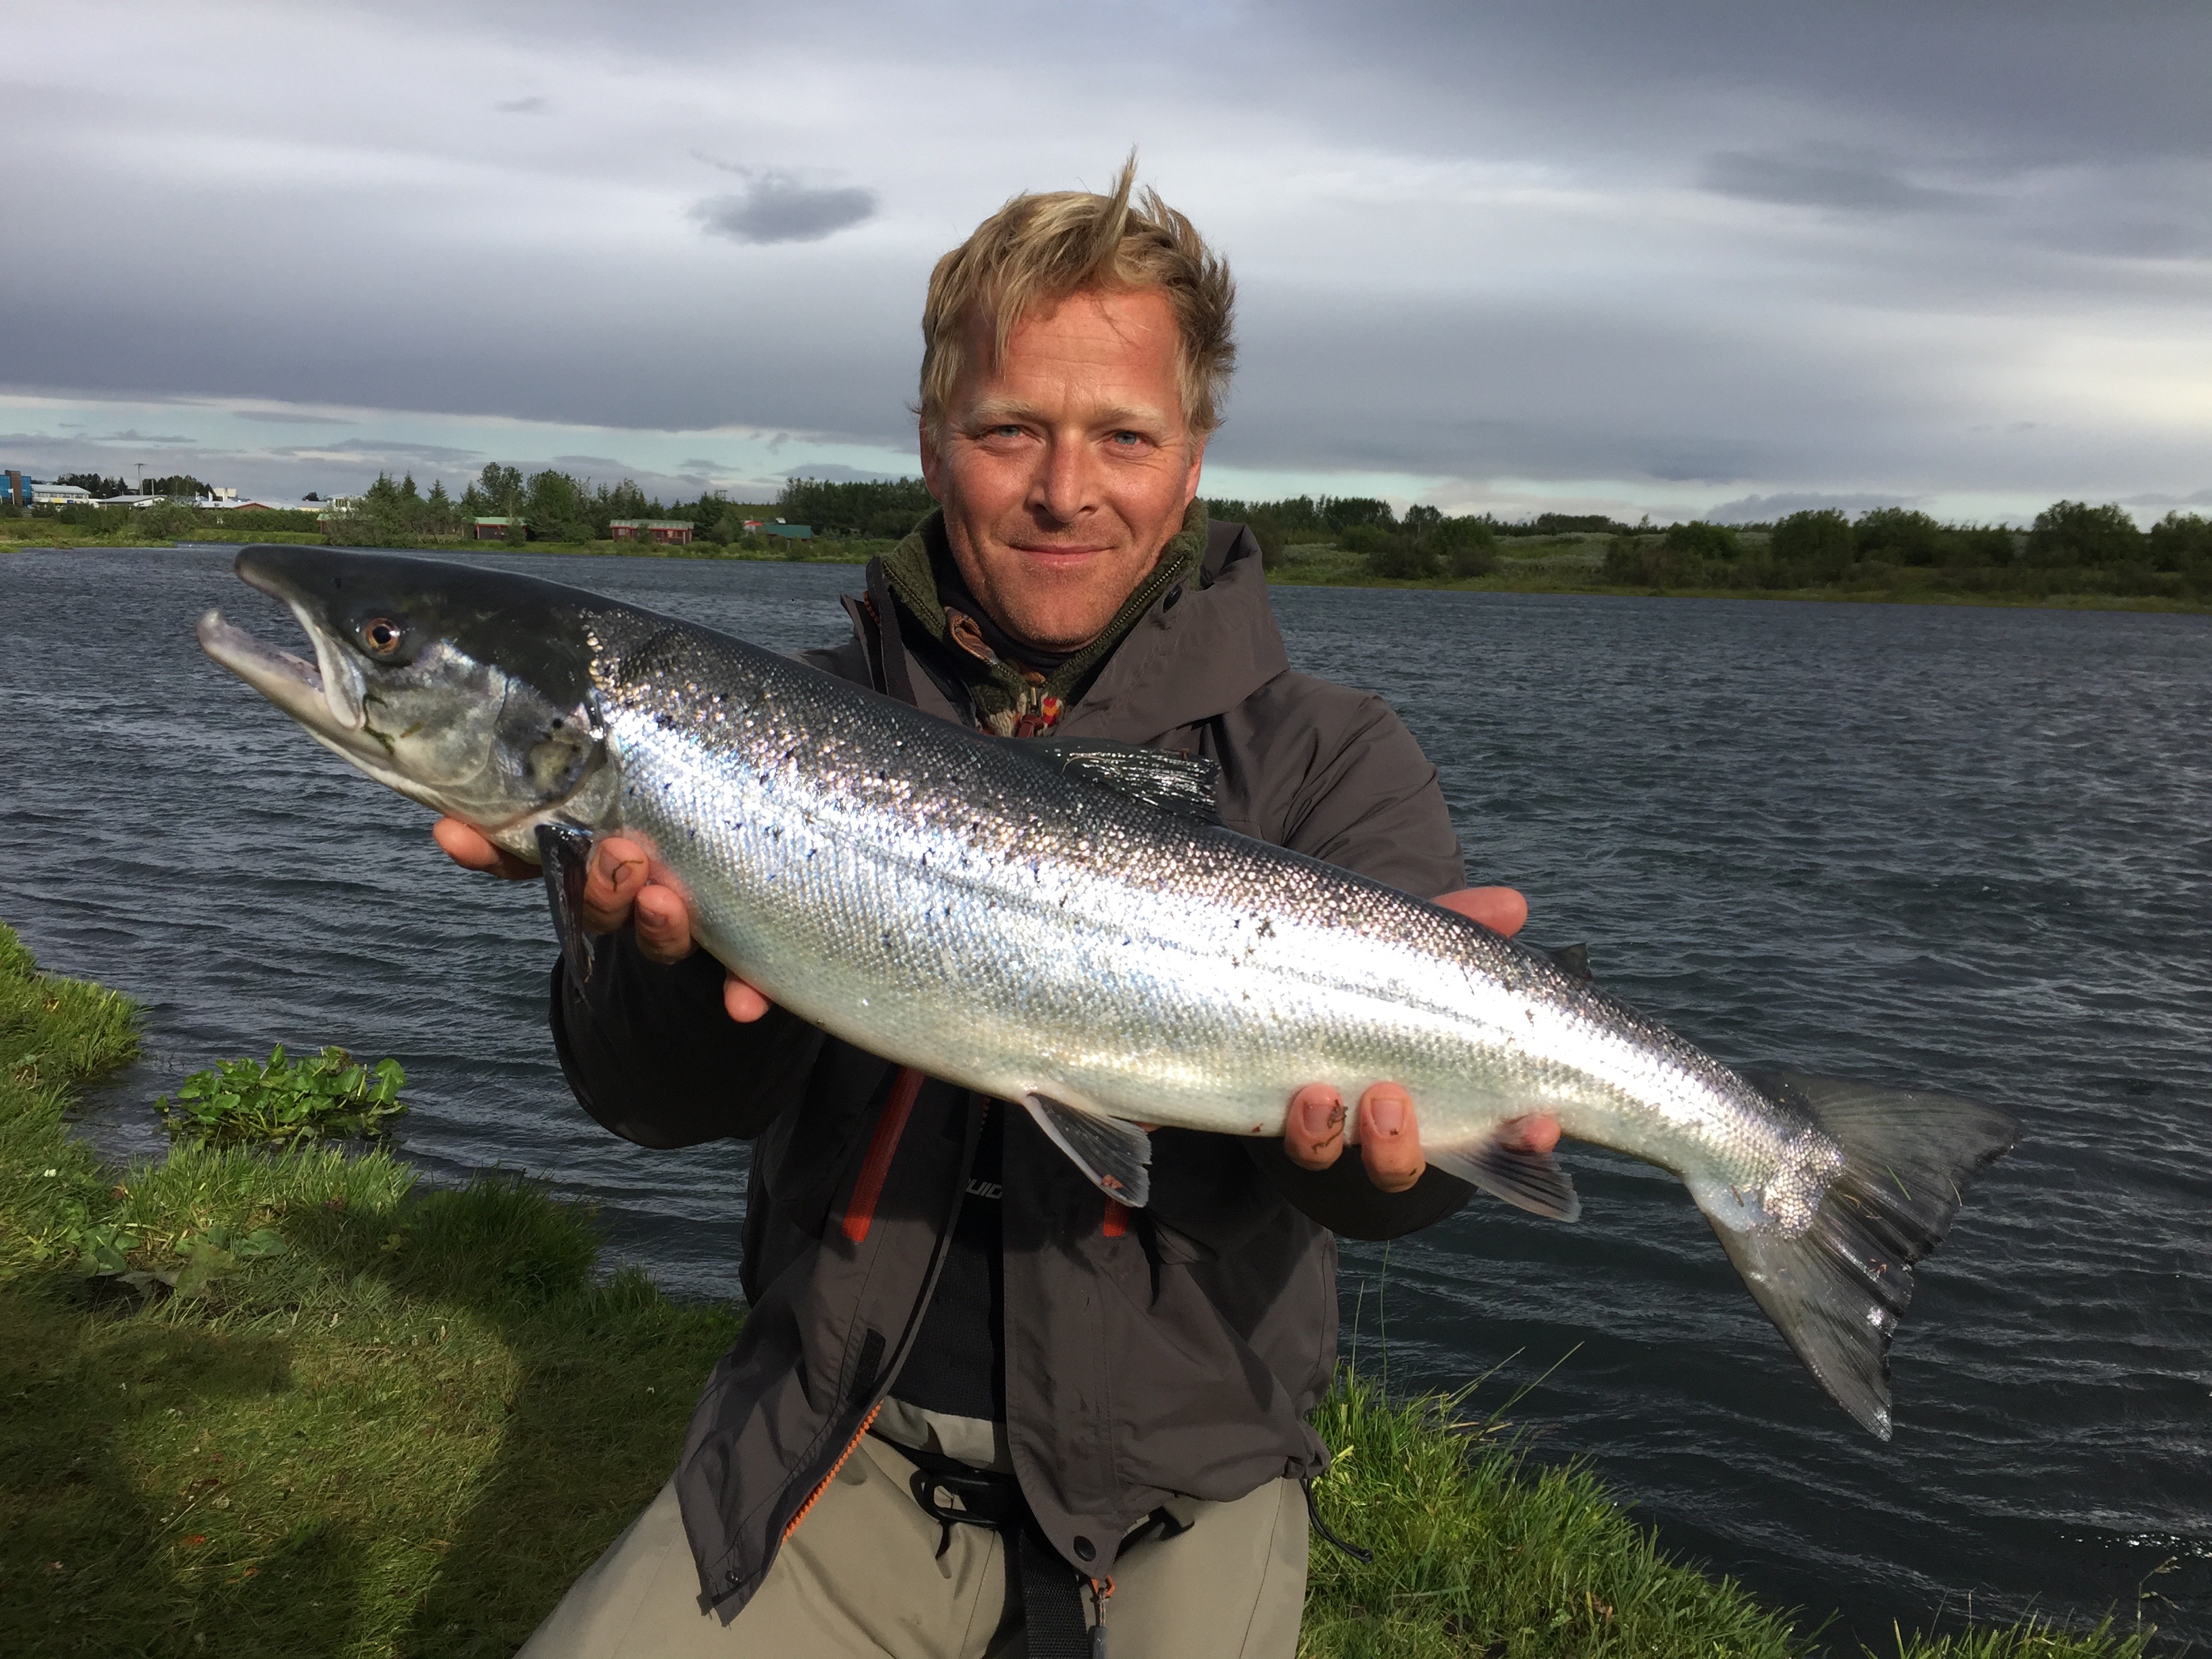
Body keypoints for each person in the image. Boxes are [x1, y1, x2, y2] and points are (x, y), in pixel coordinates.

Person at [437, 162, 1559, 1658]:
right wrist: (657, 965)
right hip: (834, 1452)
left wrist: (1392, 1168)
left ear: (1194, 457)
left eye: (1123, 436)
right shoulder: (772, 734)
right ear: (931, 439)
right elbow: (651, 1102)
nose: (1064, 489)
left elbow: (1388, 1194)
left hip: (1186, 1492)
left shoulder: (1328, 758)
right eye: (1010, 428)